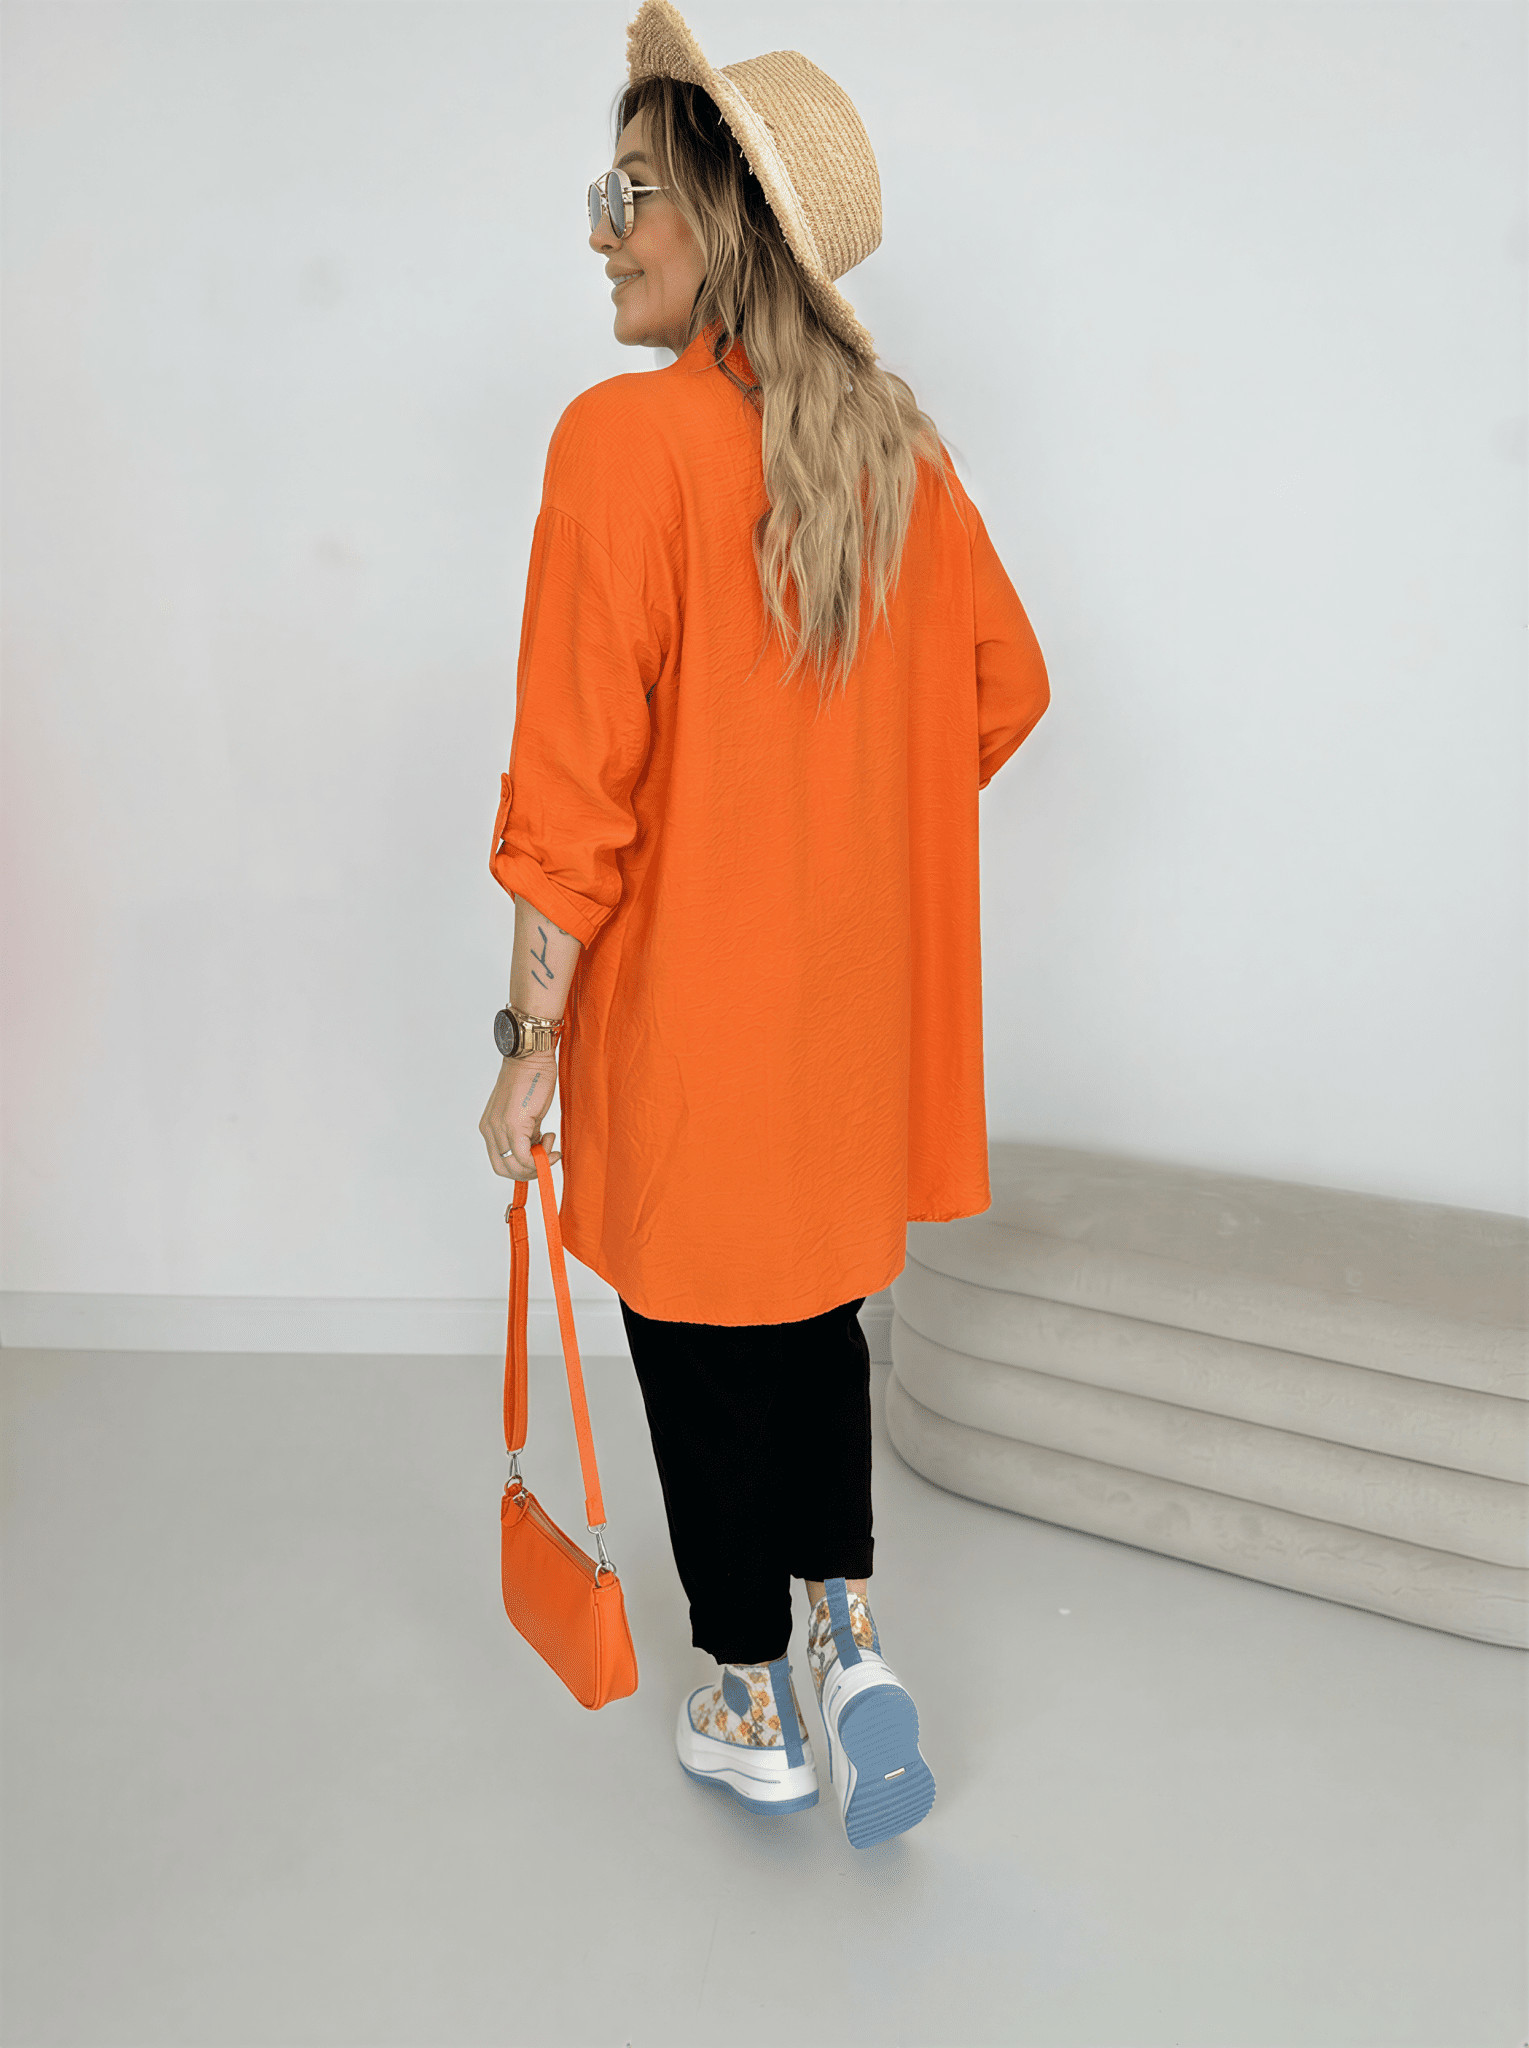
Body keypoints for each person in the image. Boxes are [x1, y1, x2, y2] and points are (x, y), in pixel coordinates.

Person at [478, 0, 1049, 1850]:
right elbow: (1004, 689)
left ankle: (746, 1697)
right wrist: (842, 818)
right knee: (812, 1315)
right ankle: (849, 1636)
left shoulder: (622, 446)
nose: (599, 231)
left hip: (686, 1010)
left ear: (722, 219)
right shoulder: (899, 455)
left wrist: (526, 1044)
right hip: (841, 1022)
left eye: (628, 193)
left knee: (694, 1335)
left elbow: (571, 794)